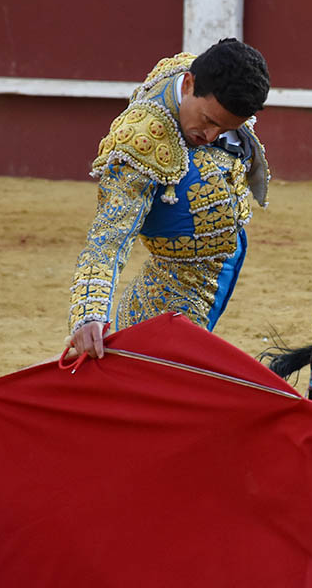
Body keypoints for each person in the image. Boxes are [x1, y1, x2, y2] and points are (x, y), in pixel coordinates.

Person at [66, 38, 271, 361]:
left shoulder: (196, 73)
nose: (211, 137)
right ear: (188, 85)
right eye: (208, 121)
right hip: (176, 289)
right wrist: (89, 313)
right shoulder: (140, 141)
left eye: (226, 129)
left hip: (212, 270)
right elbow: (107, 239)